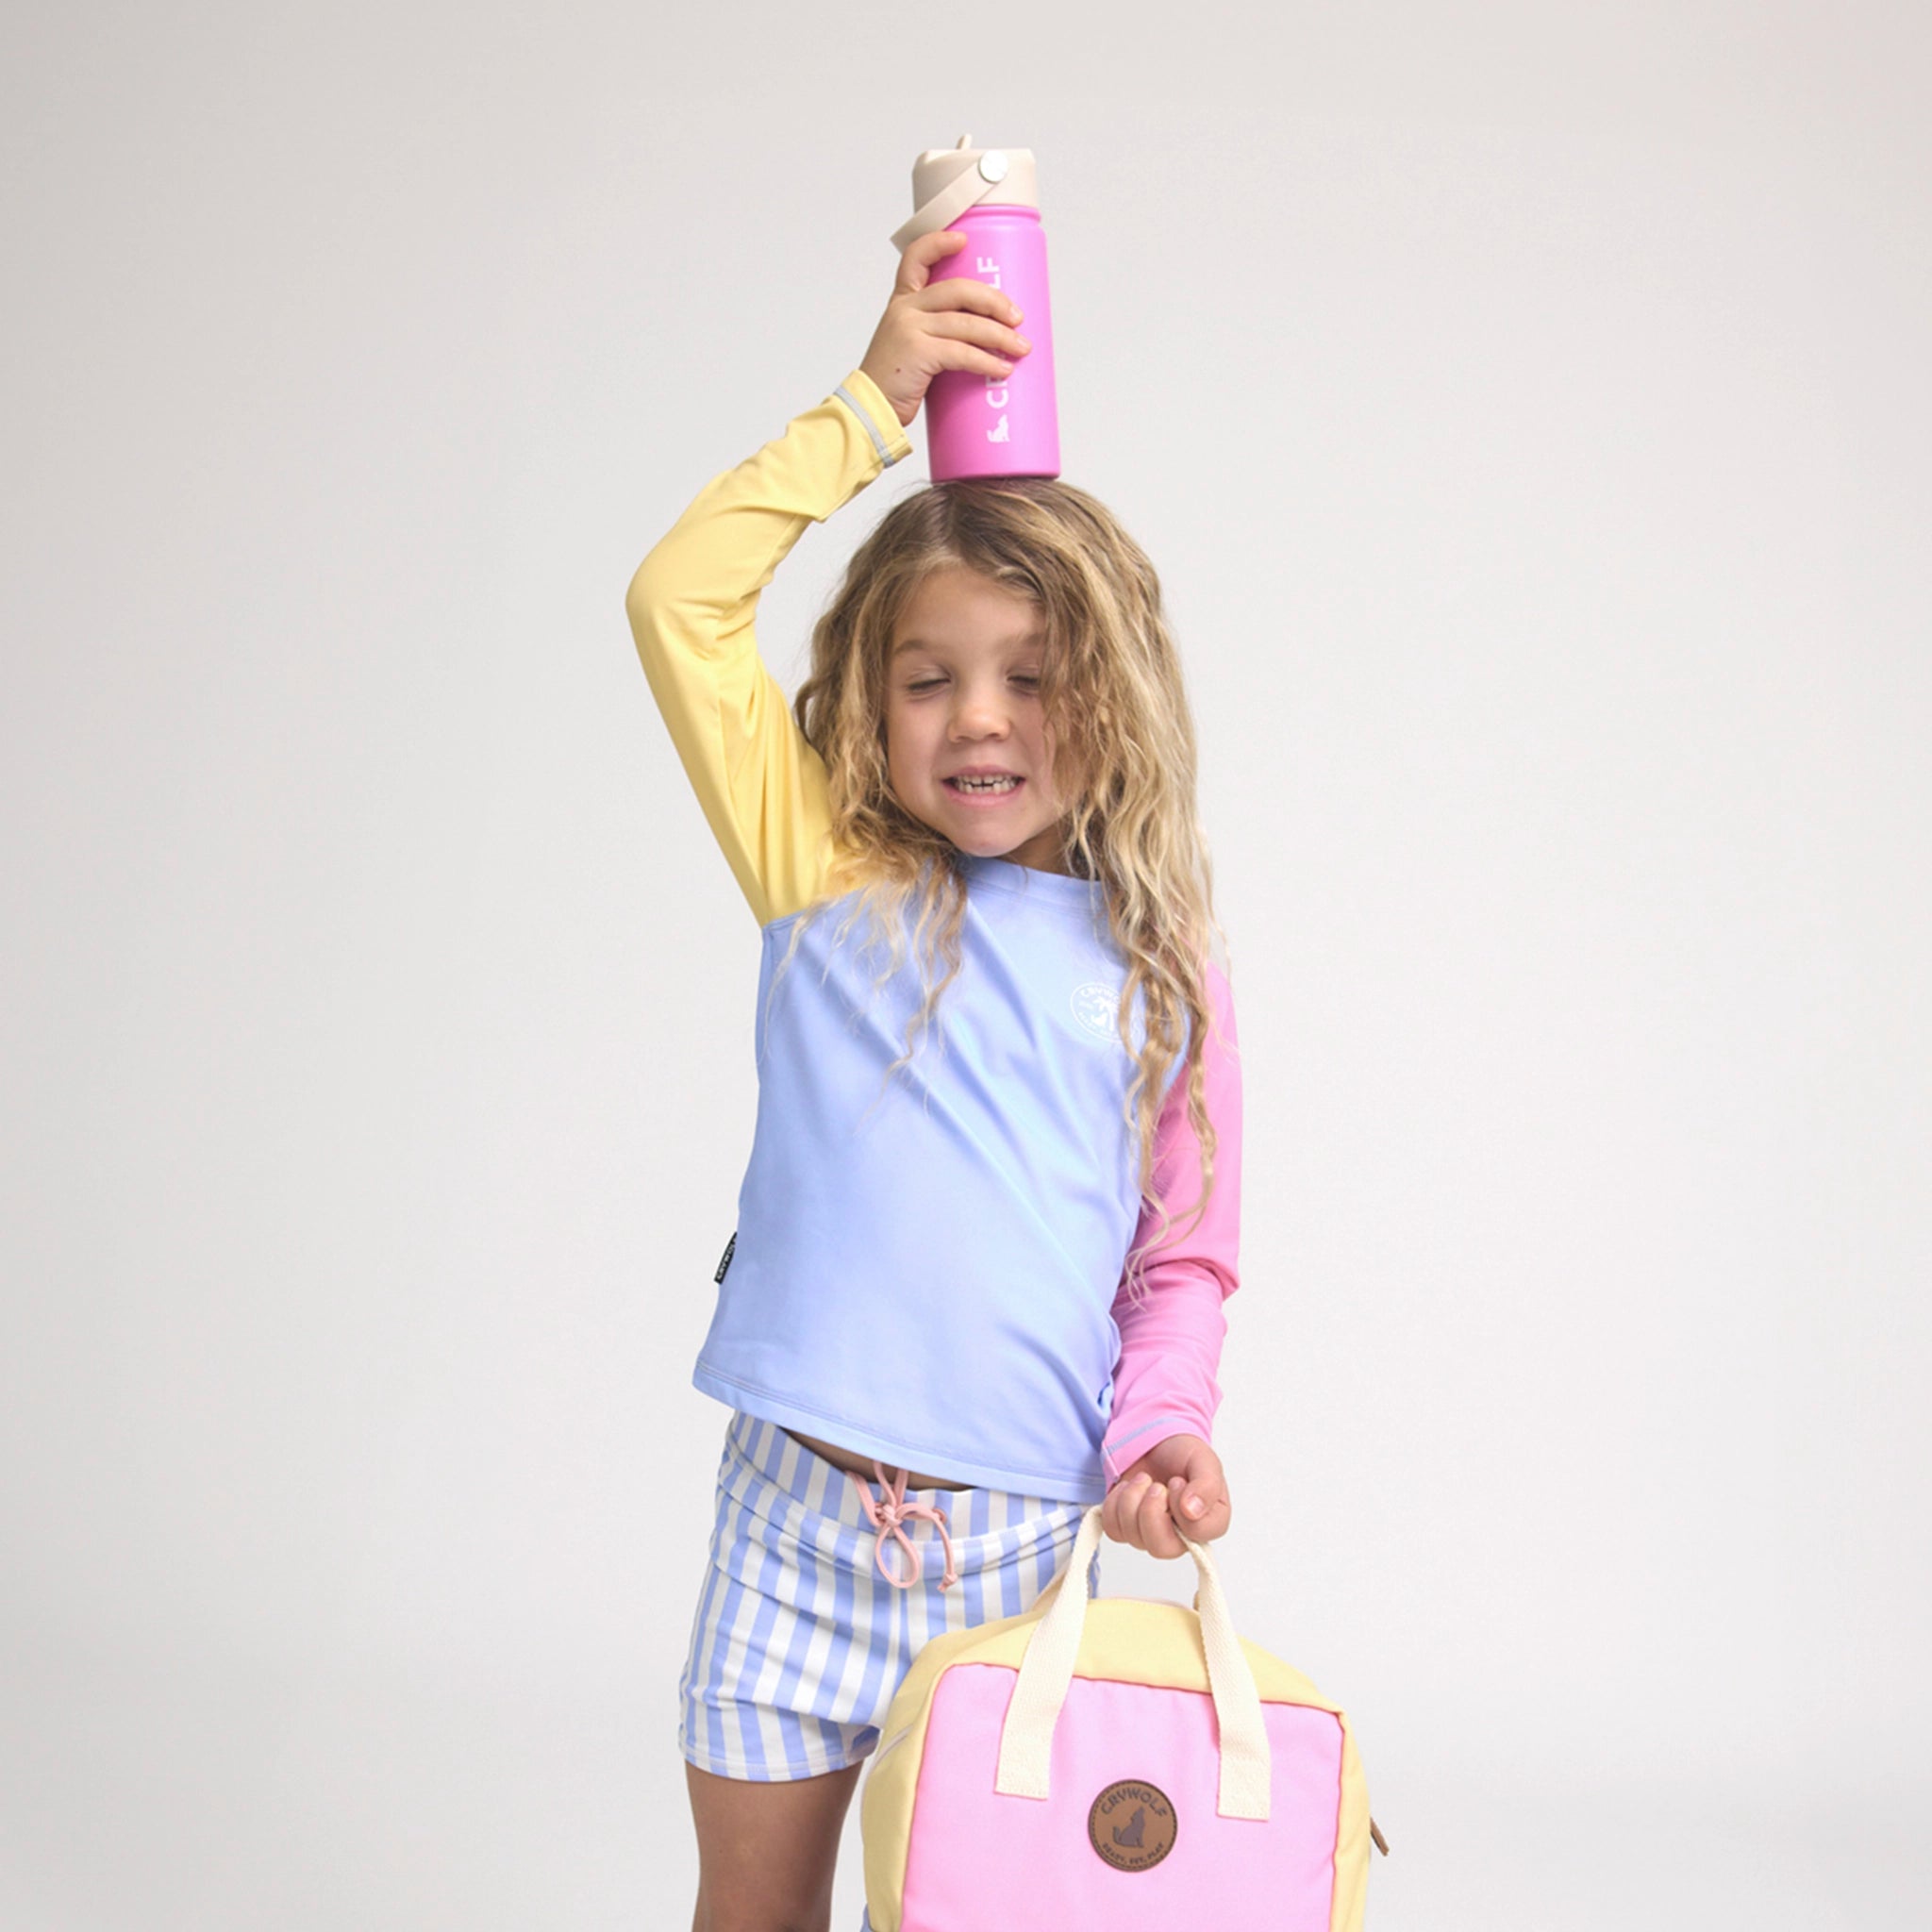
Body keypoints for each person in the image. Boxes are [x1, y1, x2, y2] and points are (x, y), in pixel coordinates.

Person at [625, 228, 1245, 1932]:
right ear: (869, 703)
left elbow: (1175, 1263)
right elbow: (676, 600)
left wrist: (1164, 1428)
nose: (980, 718)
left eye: (1033, 678)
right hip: (788, 1519)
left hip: (1009, 1559)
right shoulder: (821, 865)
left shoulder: (1161, 970)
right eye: (930, 677)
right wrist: (872, 403)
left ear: (1107, 699)